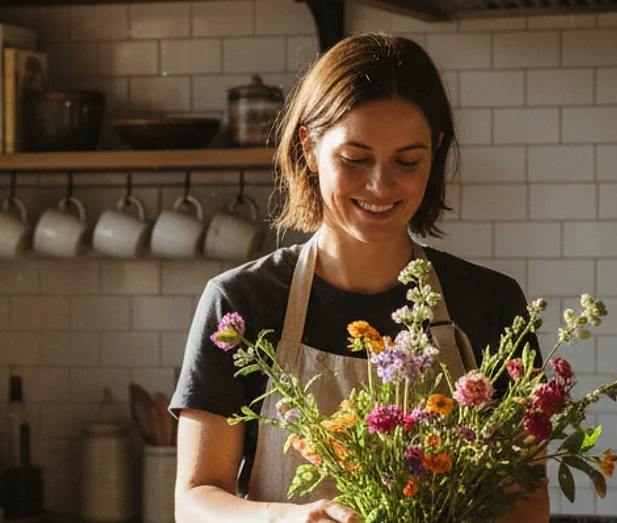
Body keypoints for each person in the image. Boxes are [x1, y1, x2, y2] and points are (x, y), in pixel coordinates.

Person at [170, 33, 549, 523]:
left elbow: (525, 499)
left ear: (434, 150)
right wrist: (288, 519)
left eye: (407, 161)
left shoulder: (490, 303)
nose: (380, 185)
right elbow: (196, 497)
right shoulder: (240, 304)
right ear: (308, 146)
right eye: (355, 158)